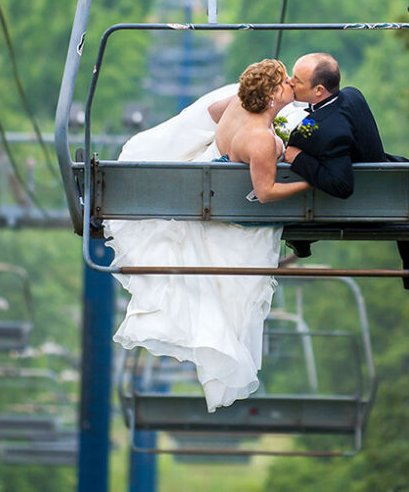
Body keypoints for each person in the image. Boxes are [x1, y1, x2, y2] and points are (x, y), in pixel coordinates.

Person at [106, 59, 308, 412]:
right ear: (274, 93)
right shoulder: (260, 137)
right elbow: (265, 192)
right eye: (287, 83)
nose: (293, 84)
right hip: (237, 214)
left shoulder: (235, 106)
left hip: (217, 197)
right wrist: (308, 182)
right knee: (234, 297)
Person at [283, 52, 409, 289]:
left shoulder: (319, 130)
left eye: (297, 79)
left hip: (357, 206)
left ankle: (301, 237)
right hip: (384, 191)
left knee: (395, 174)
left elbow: (342, 185)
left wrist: (297, 156)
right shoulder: (352, 95)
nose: (289, 81)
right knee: (401, 169)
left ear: (318, 91)